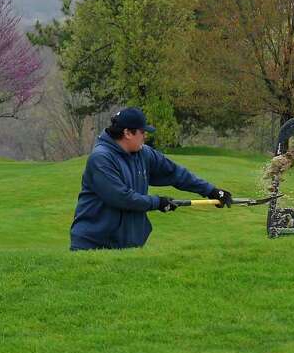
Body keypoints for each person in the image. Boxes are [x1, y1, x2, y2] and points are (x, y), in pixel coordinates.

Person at [70, 107, 232, 250]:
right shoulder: (101, 159)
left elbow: (175, 173)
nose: (145, 136)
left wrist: (211, 191)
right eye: (142, 132)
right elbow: (122, 198)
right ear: (127, 133)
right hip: (93, 244)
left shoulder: (144, 153)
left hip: (127, 245)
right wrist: (158, 202)